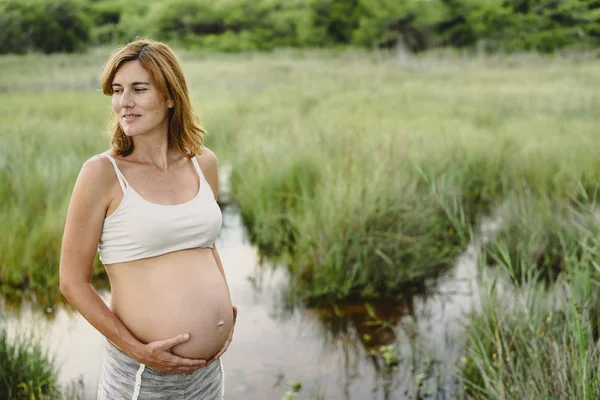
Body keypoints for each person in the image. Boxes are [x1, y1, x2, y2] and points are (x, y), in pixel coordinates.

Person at [59, 38, 236, 400]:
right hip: (145, 373)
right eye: (118, 90)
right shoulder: (102, 173)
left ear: (171, 96)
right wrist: (138, 351)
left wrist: (223, 312)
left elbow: (206, 245)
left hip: (208, 372)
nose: (124, 102)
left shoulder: (204, 163)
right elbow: (72, 283)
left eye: (139, 89)